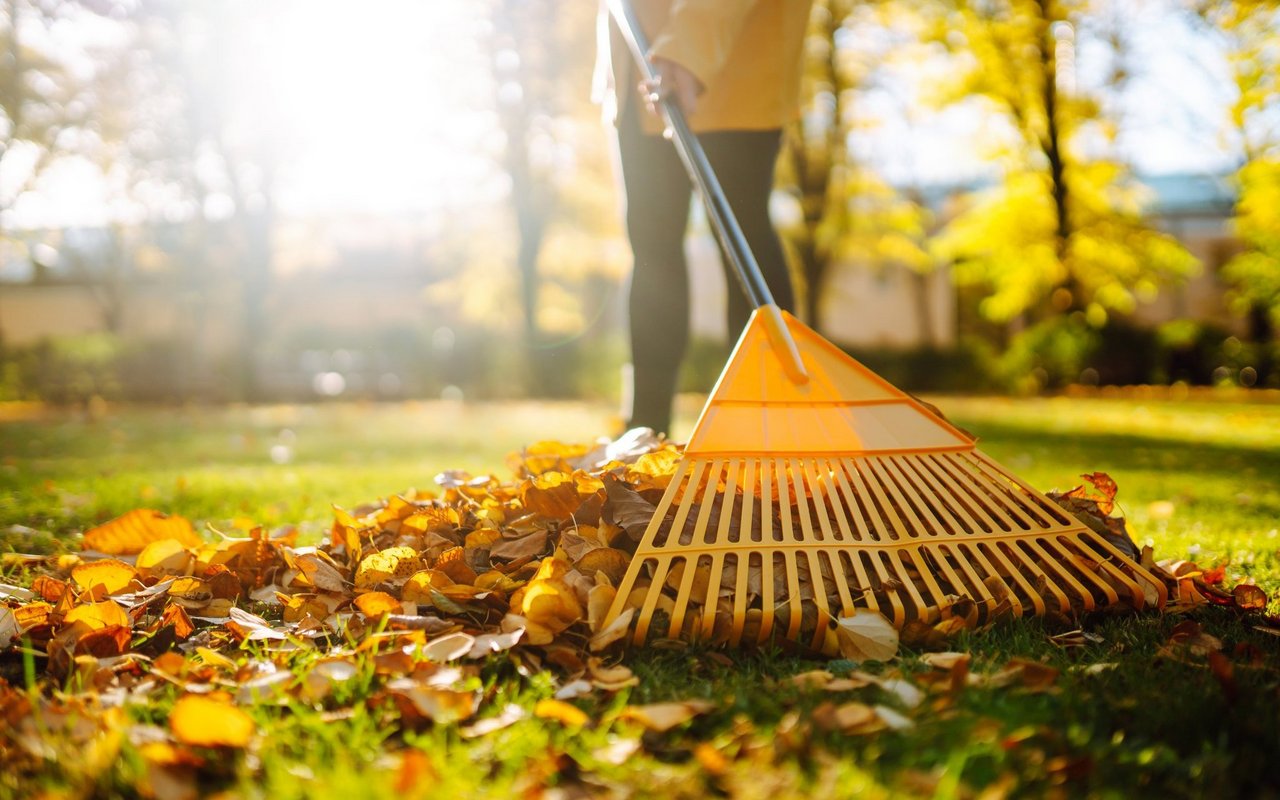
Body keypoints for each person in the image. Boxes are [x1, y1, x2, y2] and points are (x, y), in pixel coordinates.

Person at [597, 0, 815, 436]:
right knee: (651, 249)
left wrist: (689, 45)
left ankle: (769, 427)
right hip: (636, 63)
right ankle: (645, 430)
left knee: (744, 236)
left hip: (737, 59)